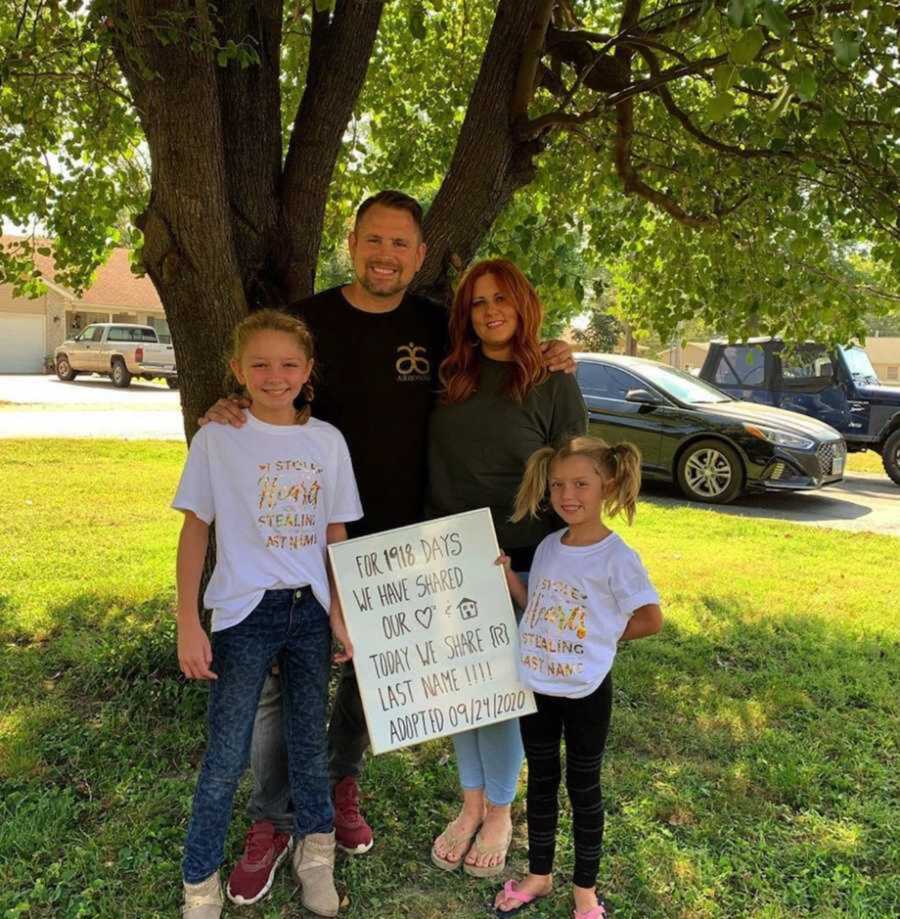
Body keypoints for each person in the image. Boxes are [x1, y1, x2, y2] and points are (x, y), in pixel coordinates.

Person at [198, 192, 575, 905]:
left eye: (401, 244)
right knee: (281, 682)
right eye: (374, 239)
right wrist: (225, 405)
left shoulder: (441, 329)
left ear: (420, 255)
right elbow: (260, 395)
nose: (385, 255)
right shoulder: (309, 321)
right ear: (352, 239)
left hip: (407, 545)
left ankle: (341, 782)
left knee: (371, 681)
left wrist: (553, 350)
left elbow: (502, 366)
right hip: (304, 539)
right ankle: (271, 820)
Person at [174, 309, 362, 919]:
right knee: (226, 752)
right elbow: (195, 531)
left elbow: (334, 533)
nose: (273, 376)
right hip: (242, 615)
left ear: (308, 372)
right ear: (236, 370)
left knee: (309, 743)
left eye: (287, 365)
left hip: (309, 611)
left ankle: (316, 854)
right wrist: (188, 620)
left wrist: (341, 611)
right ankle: (199, 881)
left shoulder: (327, 442)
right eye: (259, 364)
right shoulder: (217, 439)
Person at [428, 259, 587, 879]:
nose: (489, 310)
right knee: (463, 689)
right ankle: (469, 805)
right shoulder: (450, 375)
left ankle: (499, 811)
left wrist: (571, 558)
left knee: (498, 692)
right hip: (448, 549)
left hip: (519, 555)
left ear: (524, 304)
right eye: (476, 302)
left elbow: (576, 476)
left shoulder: (552, 378)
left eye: (501, 299)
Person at [492, 436, 663, 919]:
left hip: (587, 692)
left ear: (606, 485)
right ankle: (539, 876)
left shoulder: (617, 556)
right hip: (538, 686)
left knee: (583, 788)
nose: (569, 495)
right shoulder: (548, 546)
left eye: (581, 484)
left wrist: (600, 641)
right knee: (542, 782)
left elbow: (651, 619)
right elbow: (539, 608)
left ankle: (585, 890)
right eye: (559, 485)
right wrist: (511, 581)